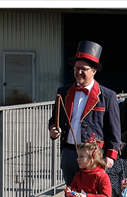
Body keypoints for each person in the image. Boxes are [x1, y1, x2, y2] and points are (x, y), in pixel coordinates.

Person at [48, 40, 120, 186]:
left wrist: (111, 156)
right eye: (76, 68)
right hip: (69, 152)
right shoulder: (63, 92)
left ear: (94, 70)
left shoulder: (108, 96)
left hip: (94, 154)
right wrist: (53, 129)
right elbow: (54, 119)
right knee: (72, 193)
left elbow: (114, 129)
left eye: (83, 69)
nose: (78, 72)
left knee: (93, 195)